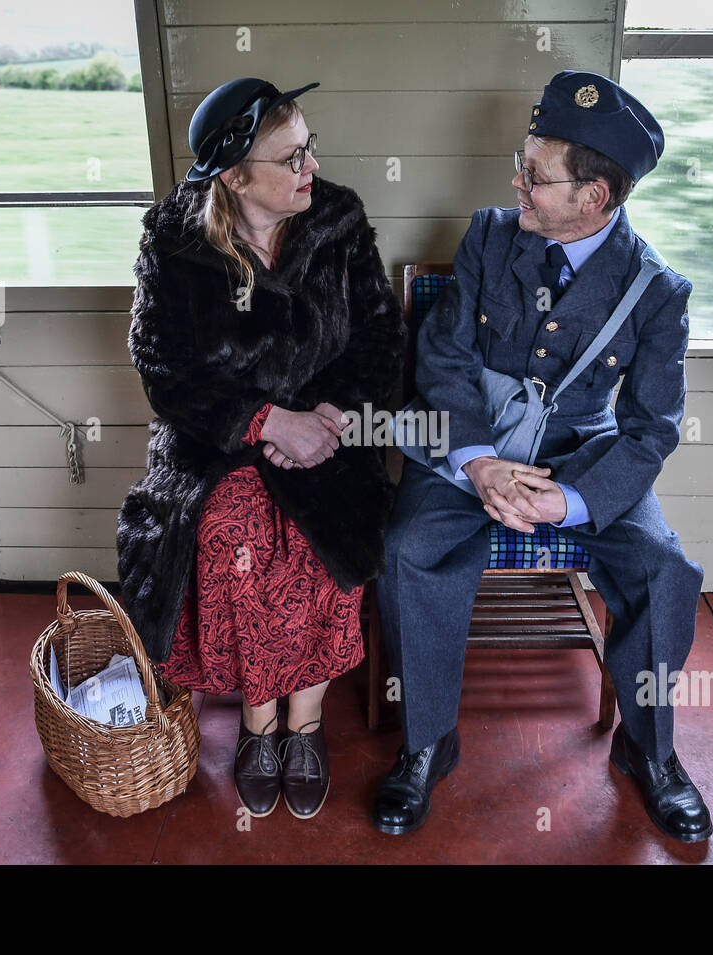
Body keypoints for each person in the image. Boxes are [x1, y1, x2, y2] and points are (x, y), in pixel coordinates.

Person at [372, 70, 712, 841]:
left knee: (664, 567)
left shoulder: (658, 292)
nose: (516, 182)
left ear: (593, 197)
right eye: (521, 162)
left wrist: (574, 502)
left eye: (535, 173)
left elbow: (652, 427)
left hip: (583, 457)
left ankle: (649, 749)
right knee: (406, 549)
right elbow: (445, 362)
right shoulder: (491, 236)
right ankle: (427, 741)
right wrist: (478, 461)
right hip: (475, 442)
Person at [116, 77, 405, 820]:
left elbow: (379, 339)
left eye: (309, 146)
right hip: (222, 445)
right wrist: (266, 421)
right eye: (290, 157)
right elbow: (164, 370)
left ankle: (304, 725)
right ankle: (258, 723)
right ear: (236, 176)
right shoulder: (176, 241)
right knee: (234, 532)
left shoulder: (337, 220)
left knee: (326, 529)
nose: (311, 165)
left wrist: (334, 418)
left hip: (332, 436)